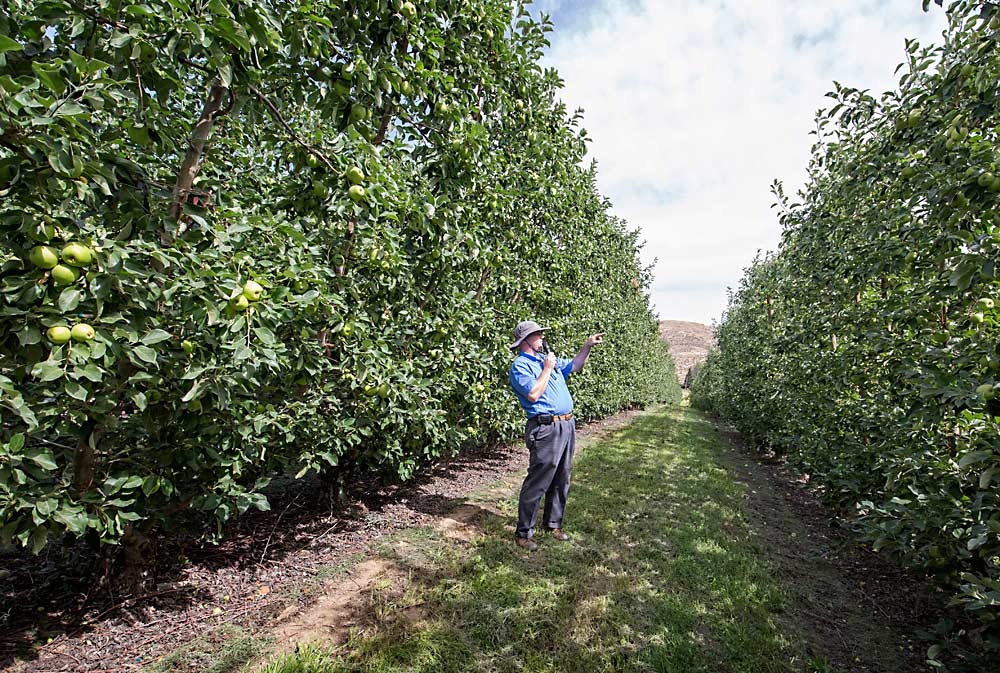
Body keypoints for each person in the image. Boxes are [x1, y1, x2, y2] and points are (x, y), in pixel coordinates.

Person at [508, 320, 604, 551]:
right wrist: (548, 368)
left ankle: (553, 524)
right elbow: (533, 394)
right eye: (538, 334)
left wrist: (587, 346)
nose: (542, 337)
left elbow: (575, 366)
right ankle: (524, 533)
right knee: (539, 480)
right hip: (545, 428)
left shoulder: (546, 359)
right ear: (526, 340)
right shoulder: (521, 366)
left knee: (562, 477)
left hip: (566, 425)